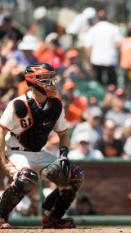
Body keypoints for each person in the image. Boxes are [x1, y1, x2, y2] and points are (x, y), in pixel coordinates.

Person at [0, 63, 84, 229]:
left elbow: (63, 134)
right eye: (46, 79)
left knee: (74, 175)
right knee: (26, 179)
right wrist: (4, 161)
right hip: (17, 152)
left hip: (39, 152)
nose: (52, 82)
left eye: (52, 78)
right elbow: (1, 132)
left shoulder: (55, 105)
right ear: (33, 81)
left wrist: (64, 155)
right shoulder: (19, 104)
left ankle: (52, 218)